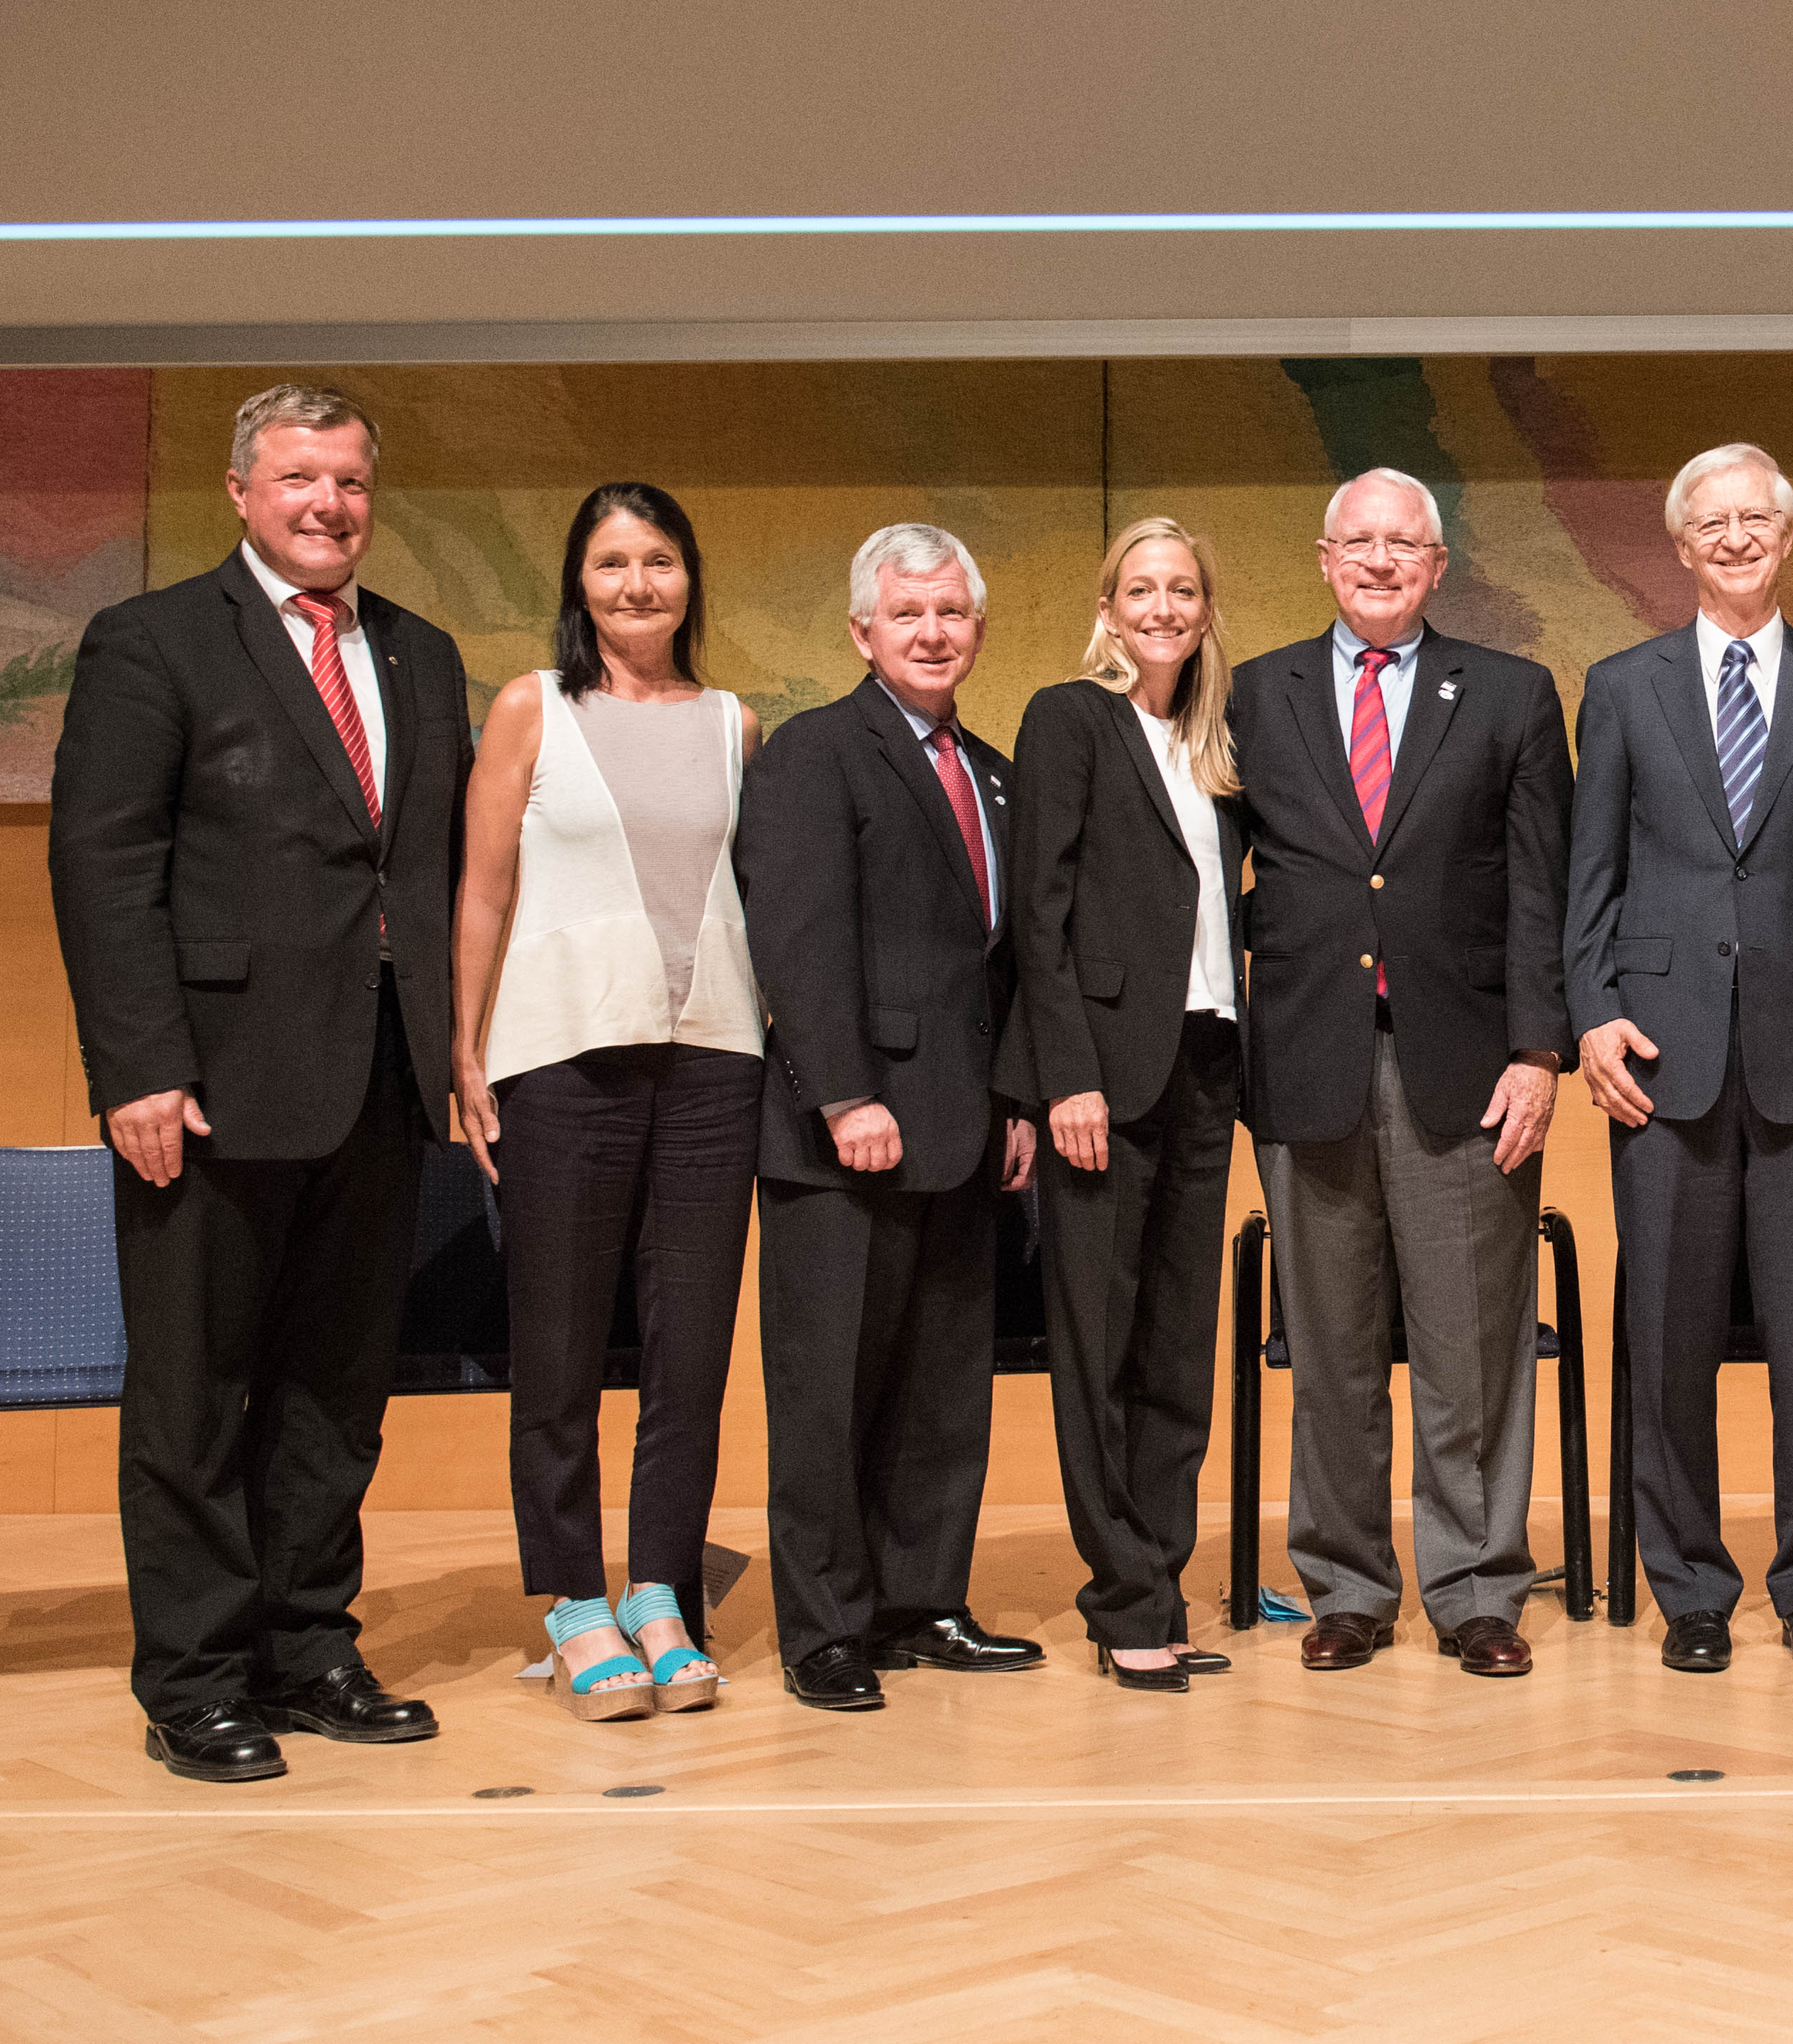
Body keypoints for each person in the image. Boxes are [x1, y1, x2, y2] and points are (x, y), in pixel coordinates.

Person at [48, 382, 474, 1784]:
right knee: (196, 1397)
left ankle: (308, 1652)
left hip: (376, 1086)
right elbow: (106, 868)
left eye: (349, 481)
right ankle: (194, 1679)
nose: (327, 505)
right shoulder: (153, 641)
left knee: (333, 1396)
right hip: (211, 1090)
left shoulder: (421, 655)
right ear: (242, 492)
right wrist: (142, 1069)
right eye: (299, 478)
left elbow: (425, 871)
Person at [1231, 467, 1576, 1678]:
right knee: (1329, 1353)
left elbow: (1544, 889)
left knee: (1472, 1349)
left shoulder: (1513, 694)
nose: (1381, 562)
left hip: (1468, 1071)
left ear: (1438, 567)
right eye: (1360, 543)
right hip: (1307, 1063)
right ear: (1325, 558)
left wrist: (1541, 1053)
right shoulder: (1252, 695)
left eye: (1405, 545)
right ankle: (1346, 1586)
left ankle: (1478, 1587)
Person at [1568, 445, 1793, 1675]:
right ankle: (1692, 1589)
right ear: (1680, 542)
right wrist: (1593, 1014)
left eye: (1757, 516)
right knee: (1668, 1343)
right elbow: (1588, 878)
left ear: (1789, 530)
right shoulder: (1621, 686)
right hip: (1659, 1061)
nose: (1736, 536)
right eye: (1712, 521)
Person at [452, 484, 763, 1723]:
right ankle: (576, 1601)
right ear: (579, 582)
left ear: (692, 577)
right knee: (562, 1342)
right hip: (560, 1056)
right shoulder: (534, 707)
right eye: (612, 562)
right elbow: (480, 891)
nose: (639, 584)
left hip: (714, 1060)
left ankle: (660, 1591)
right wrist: (463, 1051)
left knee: (691, 1348)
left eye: (661, 561)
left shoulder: (738, 723)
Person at [737, 523, 1040, 1714]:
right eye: (908, 613)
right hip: (844, 1136)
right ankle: (825, 1627)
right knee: (826, 1391)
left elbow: (1003, 962)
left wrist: (1013, 1096)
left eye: (953, 612)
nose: (933, 632)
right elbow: (797, 939)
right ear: (862, 631)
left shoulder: (998, 769)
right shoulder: (816, 753)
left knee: (940, 1385)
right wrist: (846, 1090)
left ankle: (924, 1602)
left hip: (965, 1131)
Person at [1003, 518, 1250, 1695]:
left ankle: (1163, 1575)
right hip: (1103, 1074)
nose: (1163, 606)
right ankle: (1121, 1599)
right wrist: (1066, 1074)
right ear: (1108, 609)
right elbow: (1035, 915)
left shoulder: (1214, 747)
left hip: (1205, 1068)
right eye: (1141, 588)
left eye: (1183, 588)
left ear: (1207, 611)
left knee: (1174, 1353)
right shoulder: (1070, 719)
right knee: (1098, 1348)